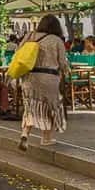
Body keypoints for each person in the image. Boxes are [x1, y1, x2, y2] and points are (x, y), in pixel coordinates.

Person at [18, 14, 69, 151]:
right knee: (50, 108)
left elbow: (18, 53)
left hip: (29, 77)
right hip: (49, 78)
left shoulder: (29, 36)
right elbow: (63, 62)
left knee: (31, 106)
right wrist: (66, 70)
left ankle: (25, 134)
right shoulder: (57, 40)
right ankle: (46, 138)